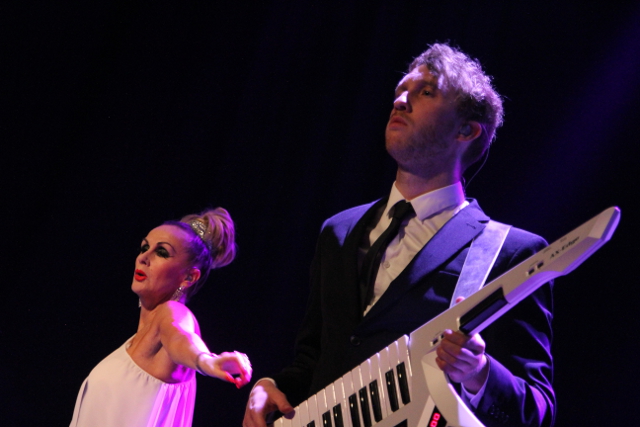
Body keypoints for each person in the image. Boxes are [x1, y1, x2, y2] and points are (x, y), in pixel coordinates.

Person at [243, 43, 554, 427]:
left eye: (426, 92)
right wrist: (273, 386)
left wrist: (478, 372)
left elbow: (537, 409)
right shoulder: (338, 231)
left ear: (467, 130)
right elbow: (315, 359)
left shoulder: (511, 251)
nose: (401, 101)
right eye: (400, 90)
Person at [70, 207, 253, 427]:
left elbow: (179, 336)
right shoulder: (133, 343)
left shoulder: (172, 312)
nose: (143, 258)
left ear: (189, 277)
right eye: (144, 247)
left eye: (162, 252)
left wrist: (206, 360)